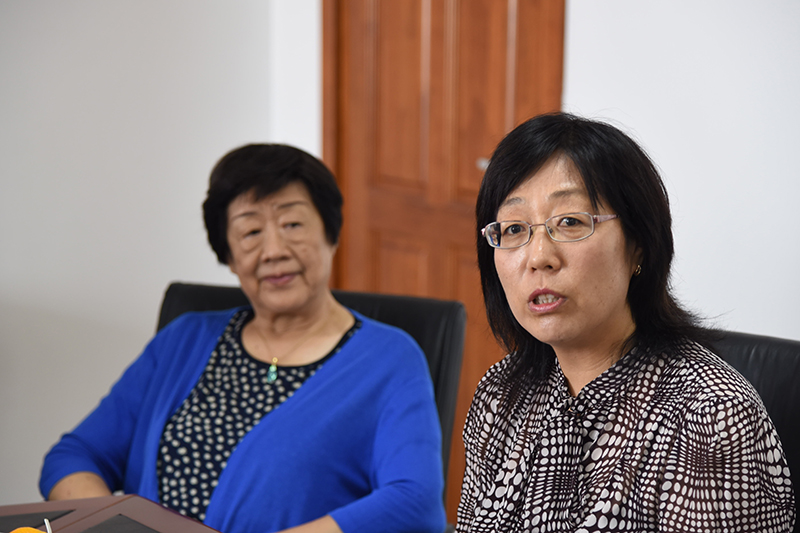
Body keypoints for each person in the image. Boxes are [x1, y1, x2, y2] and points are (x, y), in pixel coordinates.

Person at [40, 144, 446, 533]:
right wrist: (119, 528)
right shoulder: (184, 339)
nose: (274, 250)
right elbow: (74, 456)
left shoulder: (390, 359)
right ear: (229, 256)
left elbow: (416, 502)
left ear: (330, 234)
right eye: (250, 232)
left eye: (292, 224)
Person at [457, 113, 795, 532]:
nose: (538, 256)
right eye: (513, 228)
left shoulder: (709, 417)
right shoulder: (502, 394)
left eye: (570, 222)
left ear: (638, 247)